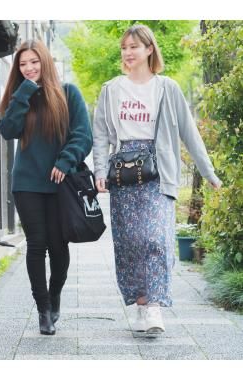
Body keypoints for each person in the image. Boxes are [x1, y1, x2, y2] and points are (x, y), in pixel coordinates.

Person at [92, 24, 222, 335]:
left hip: (158, 169)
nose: (127, 53)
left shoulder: (168, 88)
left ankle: (154, 307)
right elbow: (99, 135)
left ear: (150, 49)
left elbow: (189, 134)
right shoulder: (111, 89)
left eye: (134, 47)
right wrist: (99, 170)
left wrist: (209, 173)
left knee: (157, 238)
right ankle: (140, 304)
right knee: (130, 242)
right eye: (124, 47)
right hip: (123, 172)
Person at [0, 39, 92, 335]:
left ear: (45, 62)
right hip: (26, 183)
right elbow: (8, 130)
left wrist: (65, 161)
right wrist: (24, 92)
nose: (28, 68)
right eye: (23, 64)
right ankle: (43, 310)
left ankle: (55, 295)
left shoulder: (68, 94)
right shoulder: (19, 96)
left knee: (58, 248)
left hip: (60, 183)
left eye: (34, 62)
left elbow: (83, 135)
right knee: (36, 245)